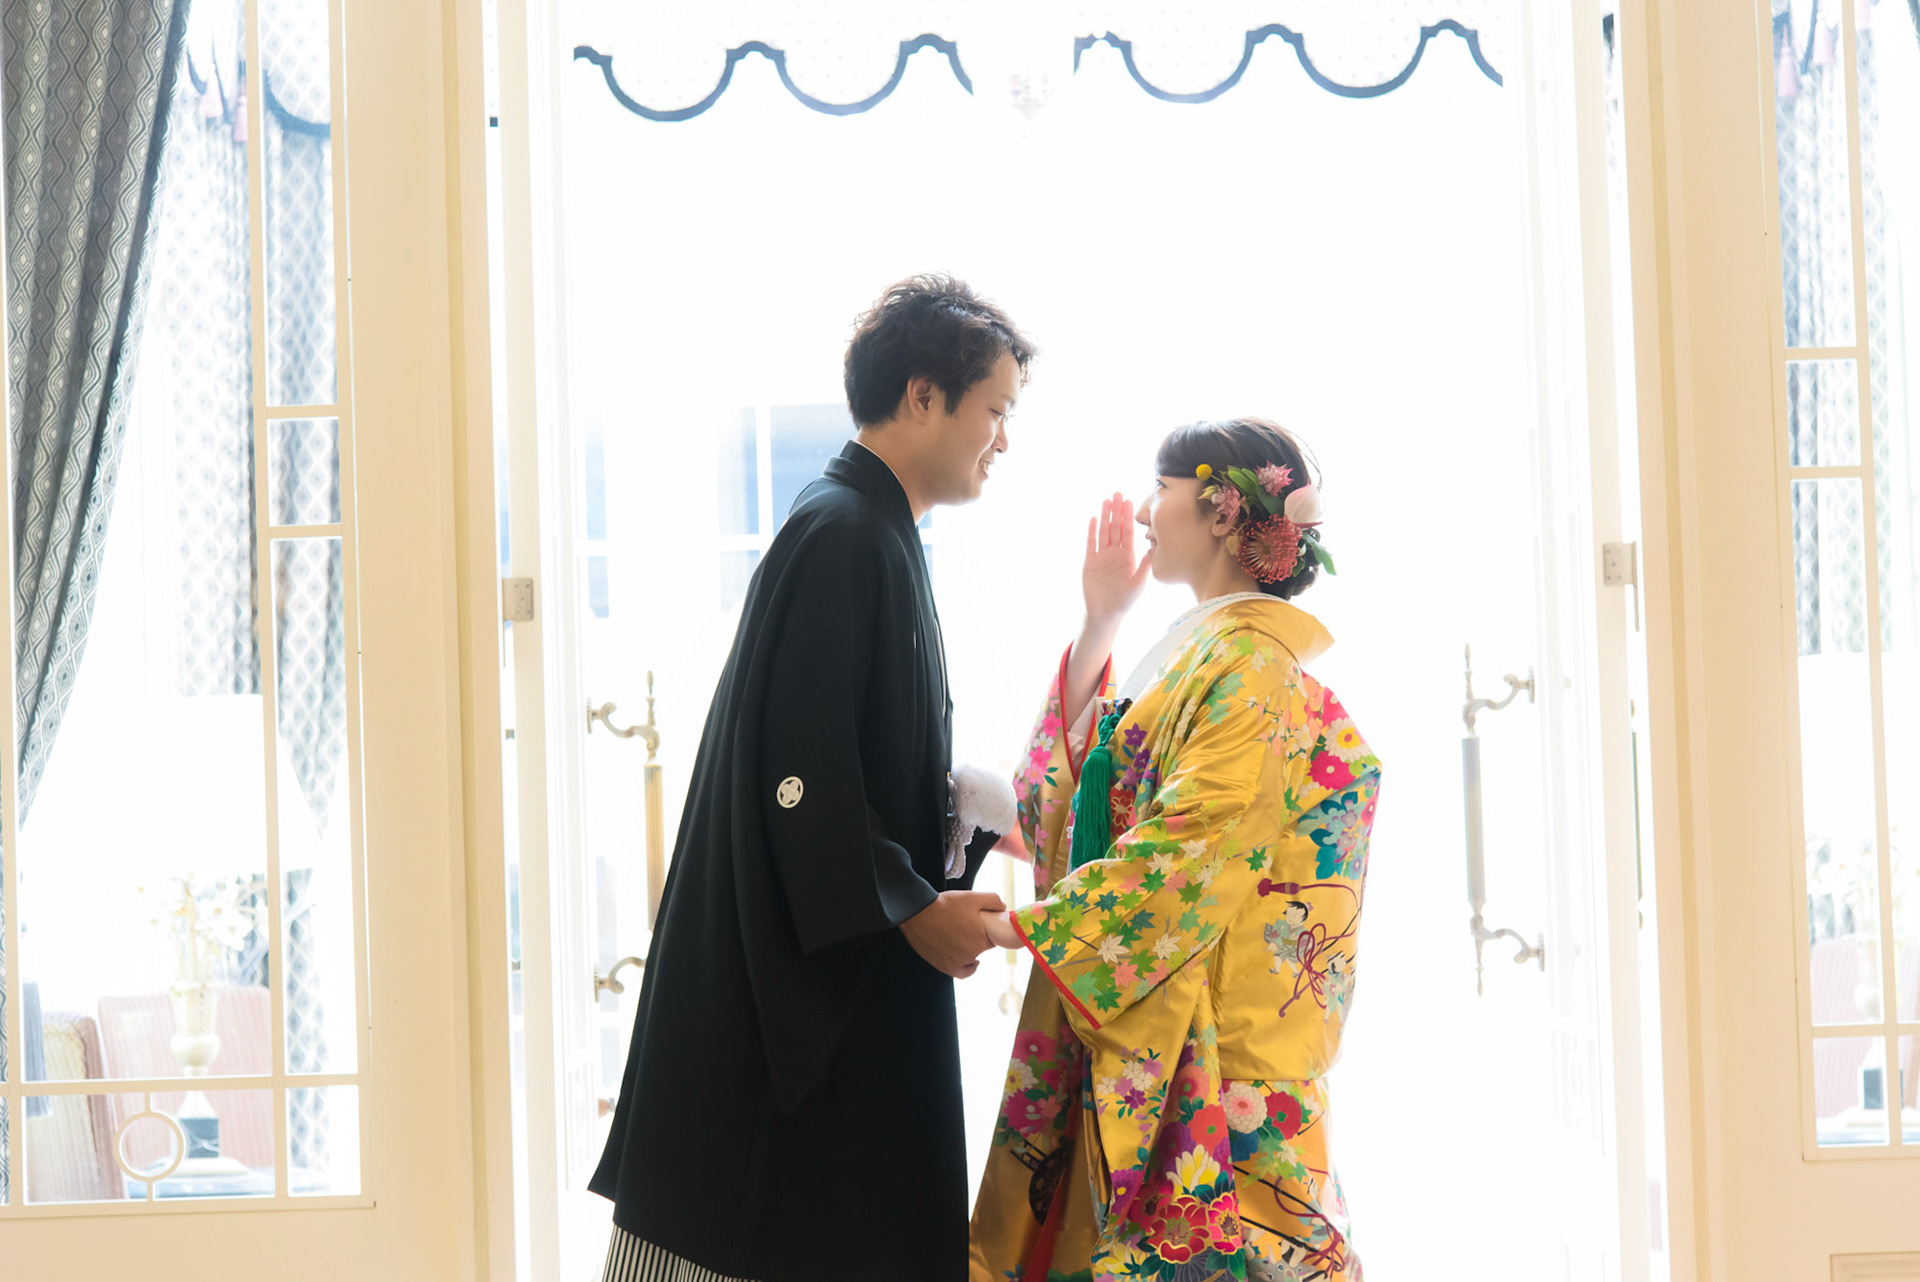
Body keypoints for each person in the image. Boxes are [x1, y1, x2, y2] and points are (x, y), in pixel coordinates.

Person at [591, 275, 1037, 1282]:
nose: (1003, 439)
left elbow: (845, 751)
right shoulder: (845, 532)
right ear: (923, 395)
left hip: (836, 954)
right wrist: (911, 904)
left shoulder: (870, 528)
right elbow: (799, 771)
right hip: (794, 981)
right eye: (995, 409)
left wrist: (952, 815)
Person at [969, 417, 1382, 1282]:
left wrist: (1032, 927)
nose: (1145, 510)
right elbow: (1086, 808)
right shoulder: (1206, 653)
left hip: (1221, 1054)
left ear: (1222, 511)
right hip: (1176, 1028)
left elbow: (1195, 840)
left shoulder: (1250, 667)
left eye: (1161, 489)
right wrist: (1102, 621)